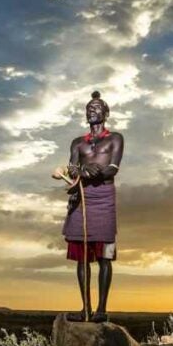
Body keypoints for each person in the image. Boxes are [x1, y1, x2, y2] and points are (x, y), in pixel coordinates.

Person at [62, 91, 124, 322]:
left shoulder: (115, 138)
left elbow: (113, 168)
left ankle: (101, 310)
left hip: (105, 197)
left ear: (106, 113)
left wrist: (93, 172)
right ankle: (85, 309)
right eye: (89, 107)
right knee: (82, 256)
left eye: (97, 107)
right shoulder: (78, 143)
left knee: (105, 255)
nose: (92, 110)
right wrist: (79, 172)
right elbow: (72, 168)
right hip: (81, 198)